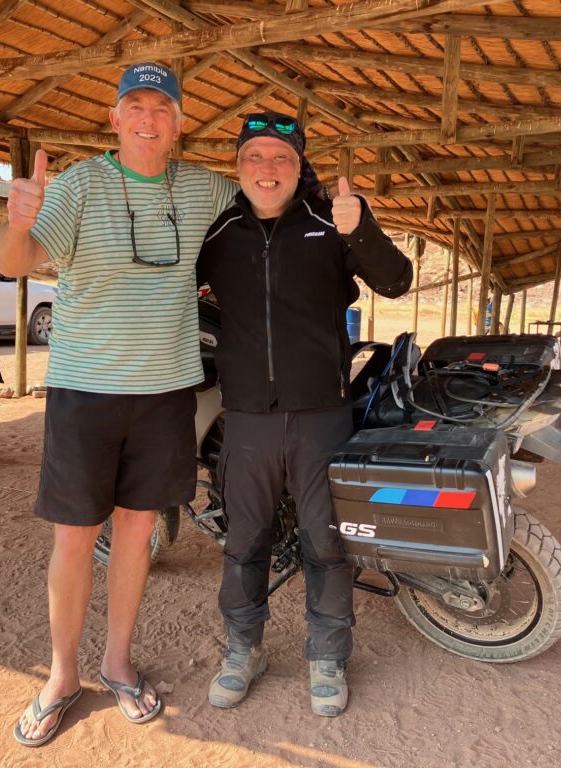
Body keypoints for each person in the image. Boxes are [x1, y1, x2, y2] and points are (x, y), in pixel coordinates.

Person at [0, 62, 237, 747]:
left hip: (165, 392)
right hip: (86, 390)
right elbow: (13, 261)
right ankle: (61, 675)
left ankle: (118, 662)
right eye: (136, 106)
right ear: (115, 118)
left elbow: (262, 198)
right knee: (75, 538)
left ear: (179, 123)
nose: (147, 119)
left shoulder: (204, 189)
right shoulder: (78, 186)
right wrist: (16, 223)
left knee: (137, 534)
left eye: (162, 108)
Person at [196, 112, 412, 716]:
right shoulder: (218, 232)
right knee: (245, 541)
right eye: (255, 157)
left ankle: (328, 656)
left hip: (321, 416)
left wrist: (361, 228)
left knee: (326, 541)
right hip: (248, 418)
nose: (267, 169)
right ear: (238, 167)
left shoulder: (329, 222)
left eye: (281, 158)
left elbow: (397, 281)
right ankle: (243, 651)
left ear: (298, 168)